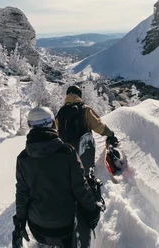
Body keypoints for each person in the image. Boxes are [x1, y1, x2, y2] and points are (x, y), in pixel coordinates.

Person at [13, 107, 102, 248]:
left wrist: (20, 222)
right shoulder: (67, 152)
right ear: (52, 124)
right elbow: (80, 188)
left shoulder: (23, 158)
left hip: (37, 229)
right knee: (86, 200)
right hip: (65, 228)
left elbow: (22, 194)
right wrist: (93, 211)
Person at [55, 85, 118, 247]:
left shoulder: (61, 113)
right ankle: (88, 207)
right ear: (79, 95)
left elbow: (55, 133)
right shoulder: (85, 109)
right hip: (83, 155)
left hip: (65, 157)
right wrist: (110, 134)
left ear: (68, 96)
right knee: (84, 180)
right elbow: (98, 126)